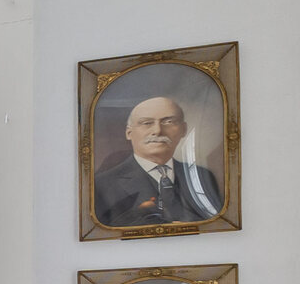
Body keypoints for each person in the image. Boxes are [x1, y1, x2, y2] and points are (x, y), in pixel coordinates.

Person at [93, 93, 225, 228]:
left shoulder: (203, 176)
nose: (157, 131)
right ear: (129, 133)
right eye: (147, 123)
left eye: (168, 122)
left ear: (183, 129)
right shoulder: (102, 185)